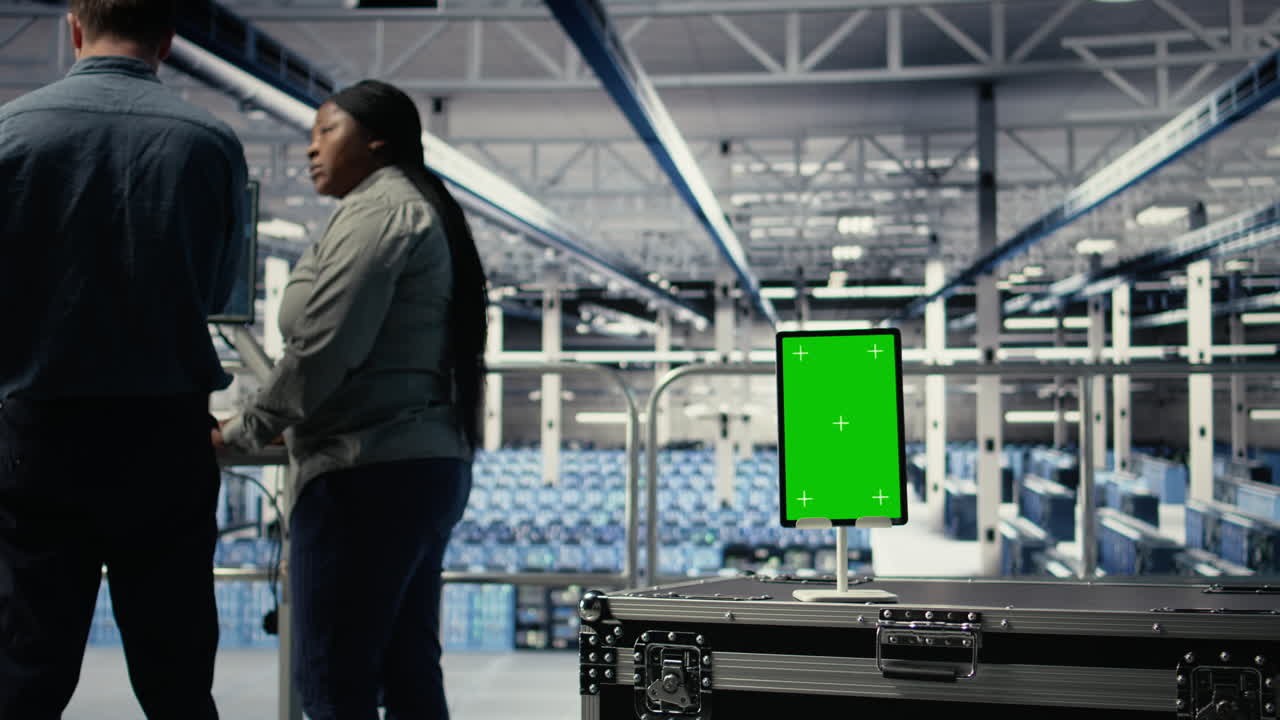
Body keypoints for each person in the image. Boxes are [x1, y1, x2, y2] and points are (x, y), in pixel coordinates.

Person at [0, 1, 247, 717]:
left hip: (39, 429)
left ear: (74, 27)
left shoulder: (11, 132)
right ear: (167, 40)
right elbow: (218, 284)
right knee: (175, 675)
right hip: (163, 436)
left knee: (25, 668)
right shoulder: (209, 142)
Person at [215, 79, 487, 720]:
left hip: (366, 476)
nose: (311, 149)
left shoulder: (380, 212)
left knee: (334, 679)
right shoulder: (414, 206)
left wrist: (239, 431)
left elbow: (323, 347)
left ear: (377, 139)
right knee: (406, 668)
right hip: (415, 467)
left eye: (326, 131)